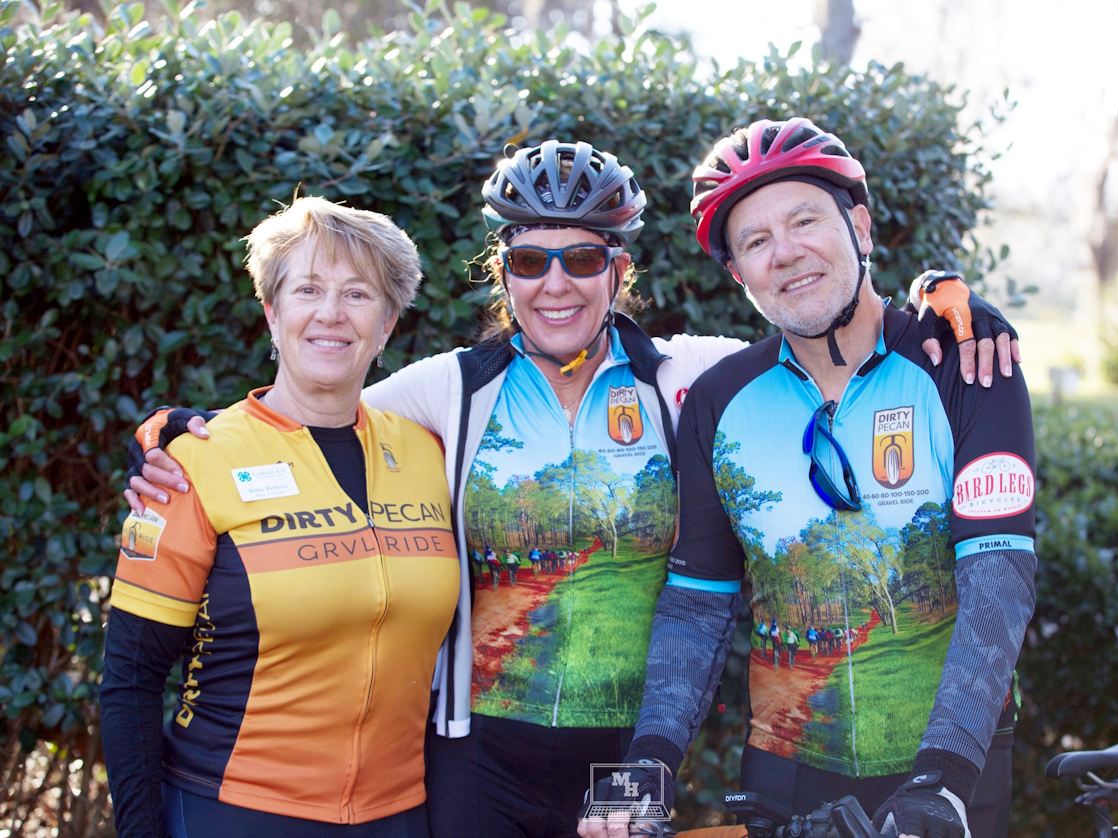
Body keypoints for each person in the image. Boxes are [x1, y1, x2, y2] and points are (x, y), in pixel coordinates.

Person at [125, 140, 1019, 838]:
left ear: (618, 272)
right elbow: (317, 400)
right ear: (503, 272)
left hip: (623, 760)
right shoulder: (449, 389)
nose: (556, 284)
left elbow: (811, 331)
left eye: (583, 260)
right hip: (476, 759)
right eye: (531, 262)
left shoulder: (687, 378)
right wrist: (187, 429)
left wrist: (946, 307)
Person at [579, 117, 1036, 838]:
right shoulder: (720, 401)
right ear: (737, 274)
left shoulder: (966, 363)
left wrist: (944, 781)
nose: (785, 253)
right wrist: (648, 765)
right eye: (755, 242)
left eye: (804, 221)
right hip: (785, 777)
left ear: (859, 226)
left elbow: (998, 578)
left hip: (950, 776)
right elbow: (698, 606)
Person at [99, 198, 456, 838]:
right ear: (272, 312)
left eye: (358, 294)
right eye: (308, 289)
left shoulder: (431, 453)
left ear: (388, 324)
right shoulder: (193, 462)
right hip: (230, 810)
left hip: (398, 814)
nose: (330, 313)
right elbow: (130, 678)